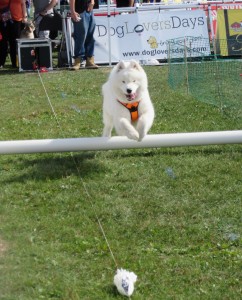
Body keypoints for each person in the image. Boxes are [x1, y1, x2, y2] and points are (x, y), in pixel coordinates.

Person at [70, 0, 99, 69]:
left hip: (89, 10)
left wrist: (92, 2)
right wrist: (73, 11)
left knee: (90, 35)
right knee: (80, 36)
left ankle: (90, 60)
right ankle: (78, 60)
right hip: (79, 11)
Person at [0, 0, 27, 68]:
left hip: (17, 20)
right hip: (3, 20)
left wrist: (25, 16)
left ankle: (15, 63)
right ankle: (1, 62)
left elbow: (23, 3)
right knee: (3, 42)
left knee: (14, 42)